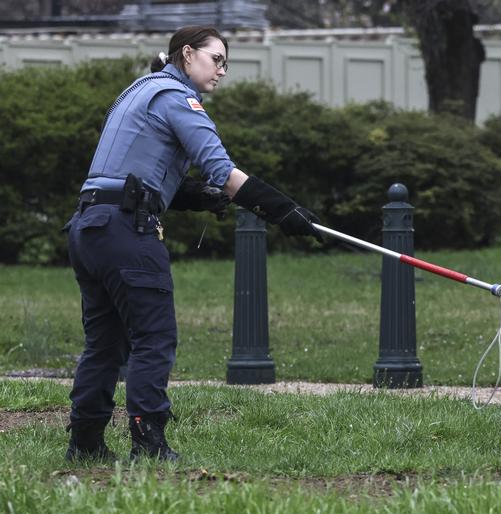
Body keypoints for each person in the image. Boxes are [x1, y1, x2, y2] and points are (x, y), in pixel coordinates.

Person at [63, 26, 321, 462]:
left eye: (226, 63)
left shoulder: (138, 92)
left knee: (104, 343)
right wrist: (283, 209)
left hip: (89, 227)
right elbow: (223, 169)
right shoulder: (178, 99)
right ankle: (149, 444)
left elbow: (129, 174)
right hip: (127, 231)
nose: (222, 70)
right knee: (154, 337)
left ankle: (85, 445)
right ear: (187, 54)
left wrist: (193, 196)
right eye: (217, 59)